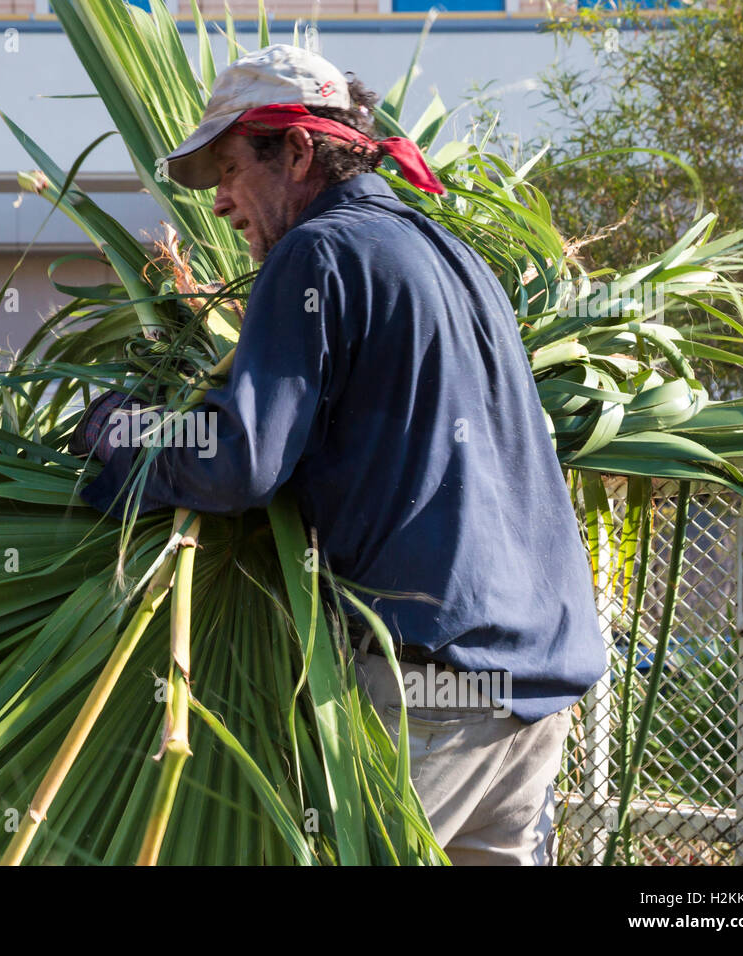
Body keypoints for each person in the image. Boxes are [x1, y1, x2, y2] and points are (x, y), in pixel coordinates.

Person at [71, 44, 606, 865]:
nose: (219, 203)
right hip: (533, 684)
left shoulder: (318, 254)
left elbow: (241, 455)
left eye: (228, 168)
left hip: (432, 690)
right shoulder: (453, 255)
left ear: (296, 151)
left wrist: (123, 433)